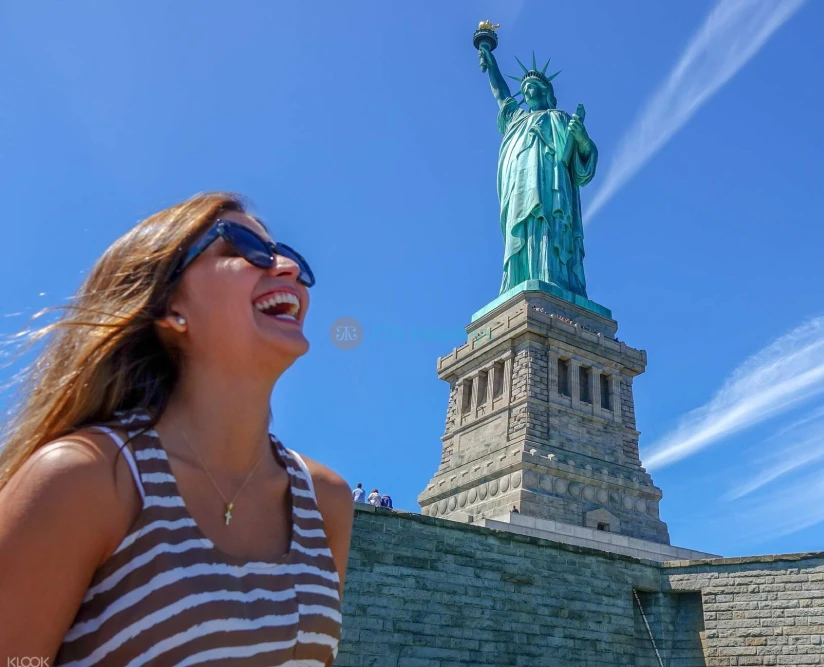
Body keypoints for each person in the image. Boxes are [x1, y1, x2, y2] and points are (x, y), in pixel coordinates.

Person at [0, 193, 353, 665]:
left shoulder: (324, 501)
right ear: (170, 309)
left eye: (290, 256)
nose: (286, 265)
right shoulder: (84, 480)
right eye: (242, 247)